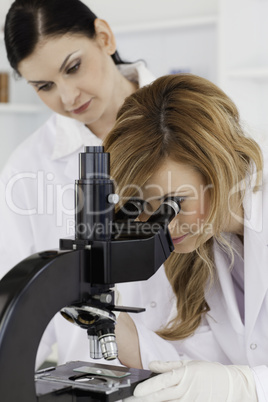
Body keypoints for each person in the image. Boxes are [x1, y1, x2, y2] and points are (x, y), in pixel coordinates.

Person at [0, 0, 156, 368]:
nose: (68, 97)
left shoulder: (197, 116)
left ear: (104, 37)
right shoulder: (27, 167)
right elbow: (19, 310)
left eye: (73, 67)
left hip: (200, 377)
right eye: (45, 86)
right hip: (91, 376)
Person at [104, 73, 268, 401]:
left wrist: (247, 386)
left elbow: (230, 379)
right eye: (143, 209)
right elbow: (192, 367)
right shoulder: (207, 245)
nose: (162, 226)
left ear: (217, 169)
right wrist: (111, 325)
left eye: (173, 204)